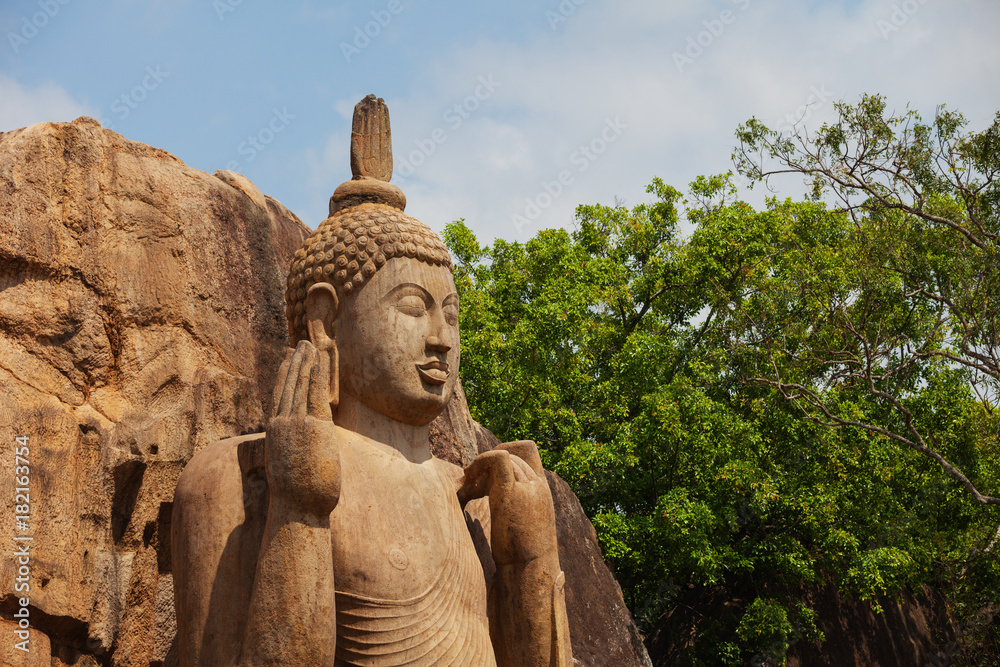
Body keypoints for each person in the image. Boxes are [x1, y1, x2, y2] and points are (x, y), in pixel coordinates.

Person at [172, 95, 572, 666]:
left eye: (452, 315)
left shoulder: (473, 501)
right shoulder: (236, 481)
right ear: (327, 319)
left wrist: (530, 558)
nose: (441, 339)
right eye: (413, 307)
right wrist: (298, 507)